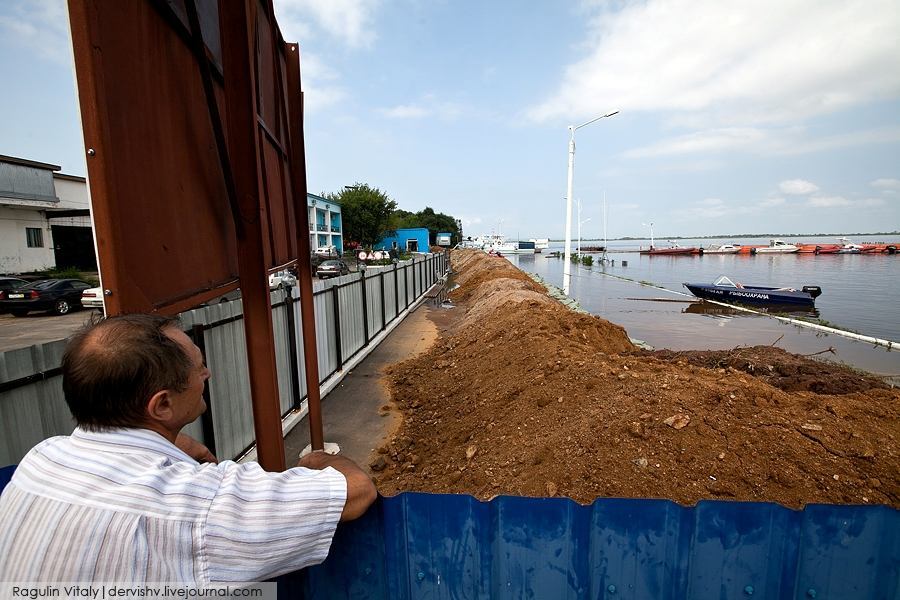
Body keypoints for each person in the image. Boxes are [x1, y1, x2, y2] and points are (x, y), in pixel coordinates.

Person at [0, 314, 376, 583]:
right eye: (199, 368)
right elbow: (356, 492)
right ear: (161, 405)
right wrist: (322, 460)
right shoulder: (197, 502)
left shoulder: (40, 460)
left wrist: (170, 441)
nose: (207, 375)